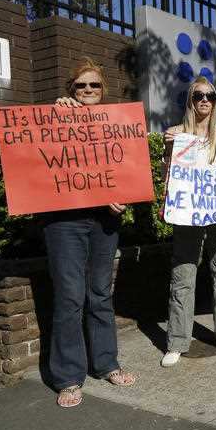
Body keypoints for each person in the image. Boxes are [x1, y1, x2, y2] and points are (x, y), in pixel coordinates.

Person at [46, 57, 136, 408]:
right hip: (64, 222)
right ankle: (69, 377)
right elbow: (37, 159)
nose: (87, 91)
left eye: (93, 85)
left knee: (100, 293)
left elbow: (127, 171)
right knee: (70, 296)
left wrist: (123, 198)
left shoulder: (116, 124)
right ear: (71, 90)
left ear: (103, 91)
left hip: (104, 222)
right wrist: (56, 112)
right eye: (80, 85)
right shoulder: (55, 117)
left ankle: (106, 364)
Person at [159, 77, 216, 367]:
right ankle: (178, 341)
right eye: (198, 96)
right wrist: (168, 150)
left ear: (215, 101)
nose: (204, 100)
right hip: (188, 214)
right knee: (183, 275)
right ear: (190, 101)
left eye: (209, 96)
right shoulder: (176, 133)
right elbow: (168, 175)